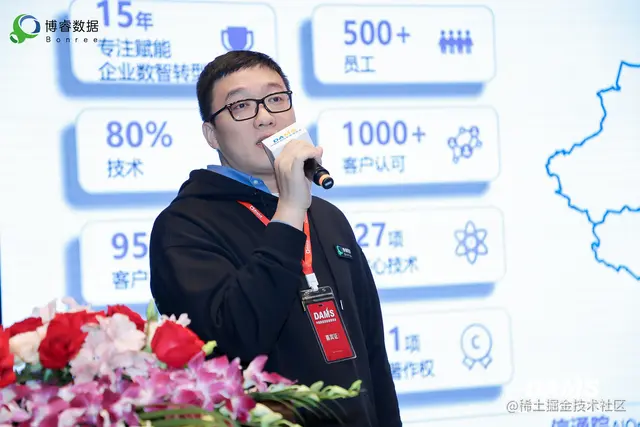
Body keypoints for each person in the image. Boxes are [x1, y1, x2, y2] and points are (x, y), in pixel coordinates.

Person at [149, 50, 402, 427]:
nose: (265, 116)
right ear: (211, 134)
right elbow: (234, 340)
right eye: (241, 106)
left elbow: (373, 354)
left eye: (276, 99)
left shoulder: (328, 217)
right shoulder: (184, 225)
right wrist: (289, 211)